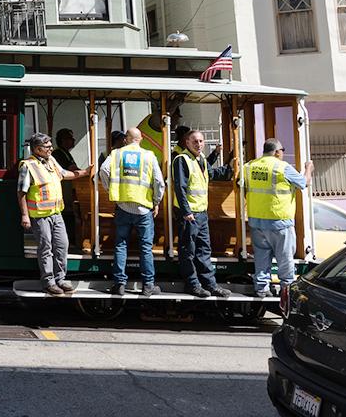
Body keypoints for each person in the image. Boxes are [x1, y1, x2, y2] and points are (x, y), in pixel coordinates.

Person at [17, 133, 94, 296]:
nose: (51, 148)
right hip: (40, 215)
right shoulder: (27, 165)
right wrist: (25, 215)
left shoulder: (51, 160)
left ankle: (60, 279)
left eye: (51, 145)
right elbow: (21, 192)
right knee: (45, 248)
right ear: (38, 149)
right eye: (47, 146)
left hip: (56, 213)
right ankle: (49, 282)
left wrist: (85, 172)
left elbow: (65, 174)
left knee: (62, 245)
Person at [99, 127, 165, 296]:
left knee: (121, 245)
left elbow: (103, 171)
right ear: (140, 139)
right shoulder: (149, 156)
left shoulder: (116, 154)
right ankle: (148, 285)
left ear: (126, 139)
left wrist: (111, 190)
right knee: (145, 248)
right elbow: (159, 181)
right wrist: (156, 201)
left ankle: (120, 283)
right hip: (143, 208)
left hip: (122, 207)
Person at [244, 138, 314, 298]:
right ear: (276, 152)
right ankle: (286, 289)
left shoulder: (249, 166)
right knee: (285, 258)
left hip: (256, 221)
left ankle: (262, 289)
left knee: (261, 257)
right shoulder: (282, 167)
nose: (283, 153)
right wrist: (308, 168)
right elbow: (304, 182)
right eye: (282, 150)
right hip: (279, 222)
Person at [173, 129, 233, 298]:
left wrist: (229, 165)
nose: (198, 144)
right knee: (188, 251)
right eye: (194, 141)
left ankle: (210, 284)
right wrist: (186, 212)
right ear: (187, 143)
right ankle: (193, 284)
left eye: (200, 141)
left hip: (201, 213)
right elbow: (180, 187)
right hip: (190, 215)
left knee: (204, 251)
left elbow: (211, 173)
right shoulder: (182, 160)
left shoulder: (200, 160)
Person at [51, 128, 82, 248]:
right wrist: (86, 173)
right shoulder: (59, 153)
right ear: (63, 140)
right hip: (64, 189)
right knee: (67, 212)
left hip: (67, 189)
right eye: (70, 138)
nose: (73, 140)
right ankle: (68, 240)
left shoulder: (65, 152)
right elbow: (72, 169)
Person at [137, 93, 185, 162]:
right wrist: (177, 100)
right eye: (176, 117)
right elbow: (163, 116)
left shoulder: (164, 129)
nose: (177, 122)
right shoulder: (153, 121)